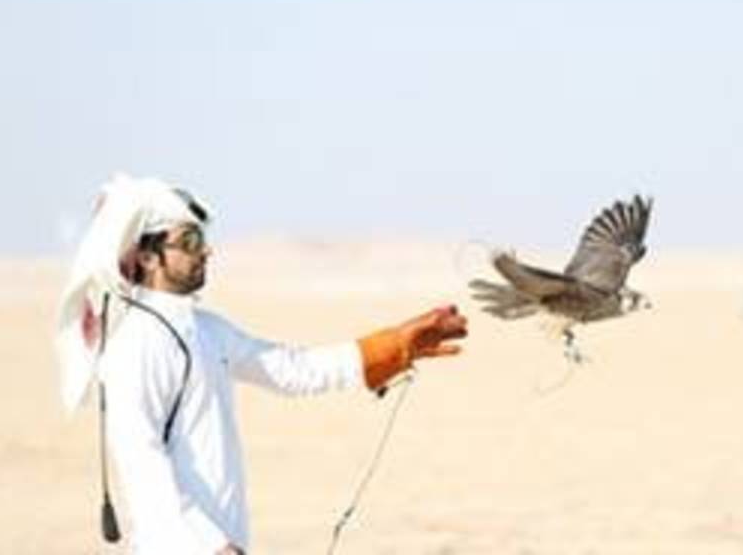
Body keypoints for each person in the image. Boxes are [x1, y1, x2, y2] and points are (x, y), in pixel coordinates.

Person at [54, 175, 468, 555]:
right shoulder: (135, 347)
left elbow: (293, 370)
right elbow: (141, 461)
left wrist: (393, 346)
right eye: (191, 241)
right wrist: (210, 545)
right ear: (147, 256)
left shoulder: (206, 330)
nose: (207, 251)